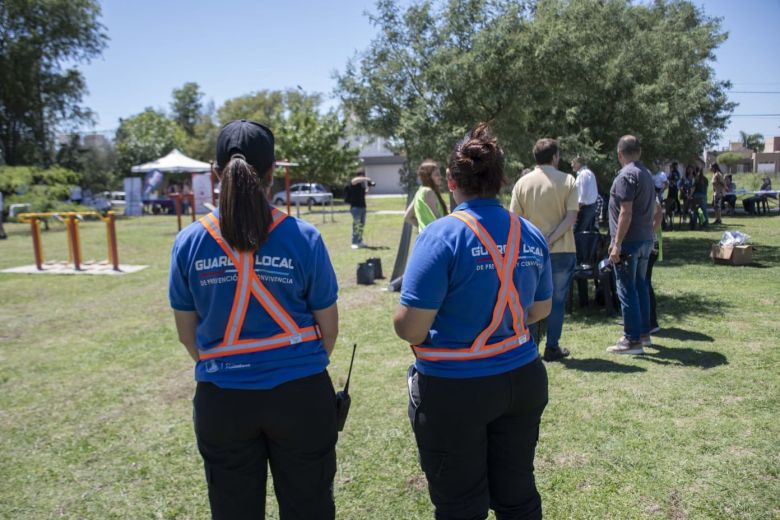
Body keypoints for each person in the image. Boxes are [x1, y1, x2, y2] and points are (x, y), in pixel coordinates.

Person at [168, 120, 340, 520]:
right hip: (301, 395)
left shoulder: (189, 242)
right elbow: (328, 329)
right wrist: (300, 366)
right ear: (273, 173)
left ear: (214, 174)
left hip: (222, 401)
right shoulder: (304, 237)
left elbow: (186, 335)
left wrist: (227, 365)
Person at [394, 122, 552, 520]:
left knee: (460, 507)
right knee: (518, 497)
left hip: (454, 390)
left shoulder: (441, 235)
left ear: (451, 181)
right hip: (522, 379)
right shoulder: (529, 233)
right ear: (501, 180)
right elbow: (540, 310)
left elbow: (410, 327)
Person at [510, 138, 578, 362]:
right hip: (562, 249)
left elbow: (515, 220)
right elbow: (571, 216)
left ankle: (528, 346)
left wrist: (538, 240)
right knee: (557, 301)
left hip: (529, 250)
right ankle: (552, 346)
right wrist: (550, 239)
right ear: (555, 156)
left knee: (528, 298)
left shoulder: (522, 183)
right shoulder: (568, 180)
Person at [607, 135, 658, 355]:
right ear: (639, 152)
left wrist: (616, 244)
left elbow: (625, 212)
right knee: (640, 287)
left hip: (630, 242)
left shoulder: (626, 176)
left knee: (627, 289)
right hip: (645, 239)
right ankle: (643, 334)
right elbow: (657, 210)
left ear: (620, 153)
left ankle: (632, 340)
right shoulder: (646, 174)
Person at [403, 160, 449, 231]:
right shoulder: (429, 192)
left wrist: (424, 227)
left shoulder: (419, 192)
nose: (440, 177)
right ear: (428, 177)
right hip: (435, 238)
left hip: (426, 238)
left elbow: (407, 216)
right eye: (437, 174)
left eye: (439, 174)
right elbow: (438, 219)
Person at [345, 169, 373, 248]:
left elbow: (365, 193)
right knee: (356, 225)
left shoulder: (361, 186)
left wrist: (370, 187)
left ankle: (359, 241)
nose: (363, 177)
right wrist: (366, 178)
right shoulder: (354, 183)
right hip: (355, 207)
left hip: (362, 207)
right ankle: (354, 242)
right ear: (359, 176)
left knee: (361, 225)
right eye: (362, 175)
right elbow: (354, 180)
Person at [571, 156, 599, 232]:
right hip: (588, 207)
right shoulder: (587, 173)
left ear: (579, 163)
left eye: (573, 163)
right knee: (583, 232)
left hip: (584, 208)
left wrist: (576, 209)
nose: (571, 165)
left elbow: (582, 196)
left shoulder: (584, 174)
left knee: (576, 233)